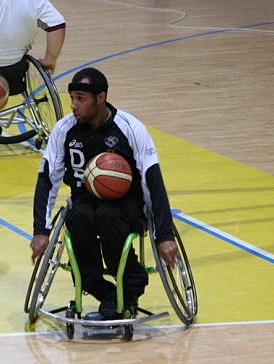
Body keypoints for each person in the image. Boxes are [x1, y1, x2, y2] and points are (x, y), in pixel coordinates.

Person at [30, 67, 178, 320]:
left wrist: (164, 234)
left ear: (101, 98)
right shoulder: (64, 129)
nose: (73, 105)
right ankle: (104, 292)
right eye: (72, 98)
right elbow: (47, 178)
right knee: (80, 217)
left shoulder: (130, 128)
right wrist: (41, 230)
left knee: (107, 217)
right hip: (83, 199)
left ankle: (132, 283)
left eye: (81, 99)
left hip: (127, 202)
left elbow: (152, 181)